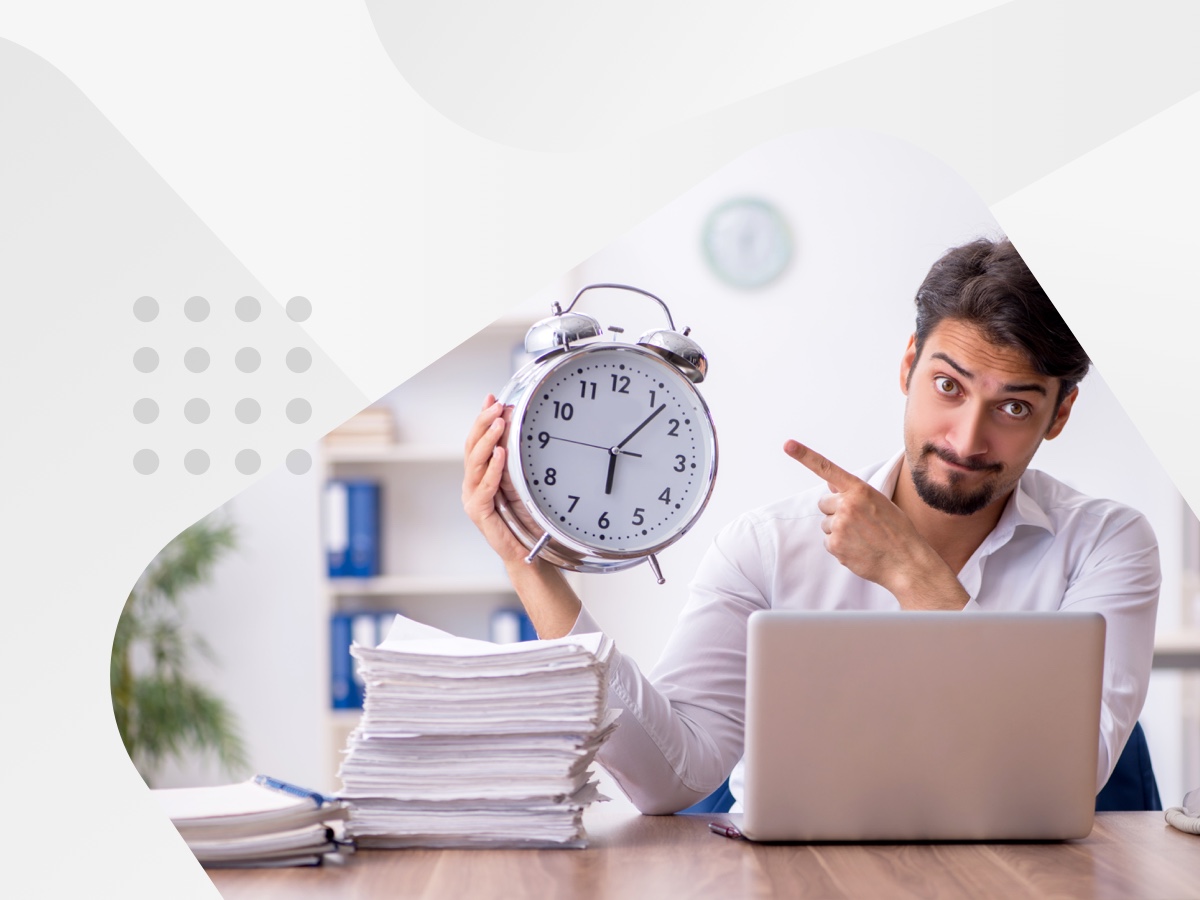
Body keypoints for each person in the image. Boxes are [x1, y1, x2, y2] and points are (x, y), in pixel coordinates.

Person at [462, 237, 1160, 814]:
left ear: (1059, 415)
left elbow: (1064, 779)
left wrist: (912, 576)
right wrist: (528, 564)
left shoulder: (1106, 545)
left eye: (1013, 407)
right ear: (909, 366)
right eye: (948, 387)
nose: (967, 438)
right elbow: (667, 779)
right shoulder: (769, 549)